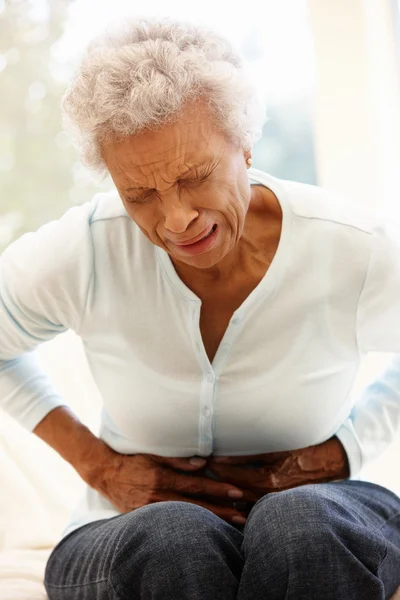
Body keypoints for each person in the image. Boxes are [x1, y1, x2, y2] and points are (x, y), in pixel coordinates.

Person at [1, 15, 400, 600]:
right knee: (174, 539)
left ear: (245, 144)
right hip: (127, 536)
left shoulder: (350, 248)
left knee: (299, 524)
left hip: (325, 519)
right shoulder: (84, 250)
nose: (175, 219)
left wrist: (349, 445)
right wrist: (97, 464)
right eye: (138, 194)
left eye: (195, 176)